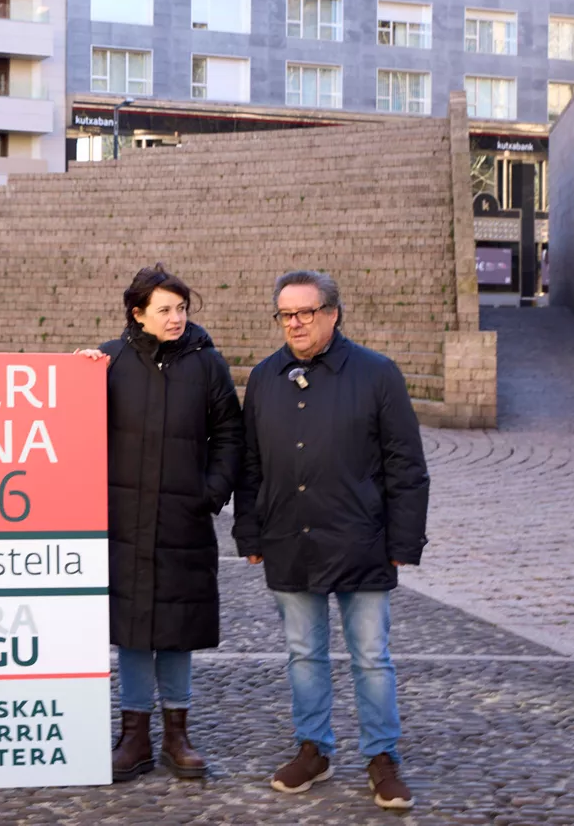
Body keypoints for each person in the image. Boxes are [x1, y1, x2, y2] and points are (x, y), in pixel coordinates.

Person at [233, 270, 429, 811]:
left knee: (370, 654)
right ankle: (314, 749)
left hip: (361, 538)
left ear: (333, 314)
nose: (294, 323)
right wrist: (249, 529)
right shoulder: (266, 377)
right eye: (285, 314)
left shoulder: (377, 374)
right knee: (303, 653)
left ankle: (382, 756)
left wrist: (404, 541)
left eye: (305, 312)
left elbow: (406, 466)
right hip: (288, 537)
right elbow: (251, 466)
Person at [77, 264, 244, 782]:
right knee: (131, 628)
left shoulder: (208, 364)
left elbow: (231, 436)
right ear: (138, 313)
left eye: (182, 309)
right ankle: (133, 737)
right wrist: (74, 376)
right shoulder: (108, 360)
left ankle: (177, 735)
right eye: (165, 310)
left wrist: (211, 493)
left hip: (182, 519)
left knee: (174, 627)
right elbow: (65, 419)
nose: (176, 318)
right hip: (123, 519)